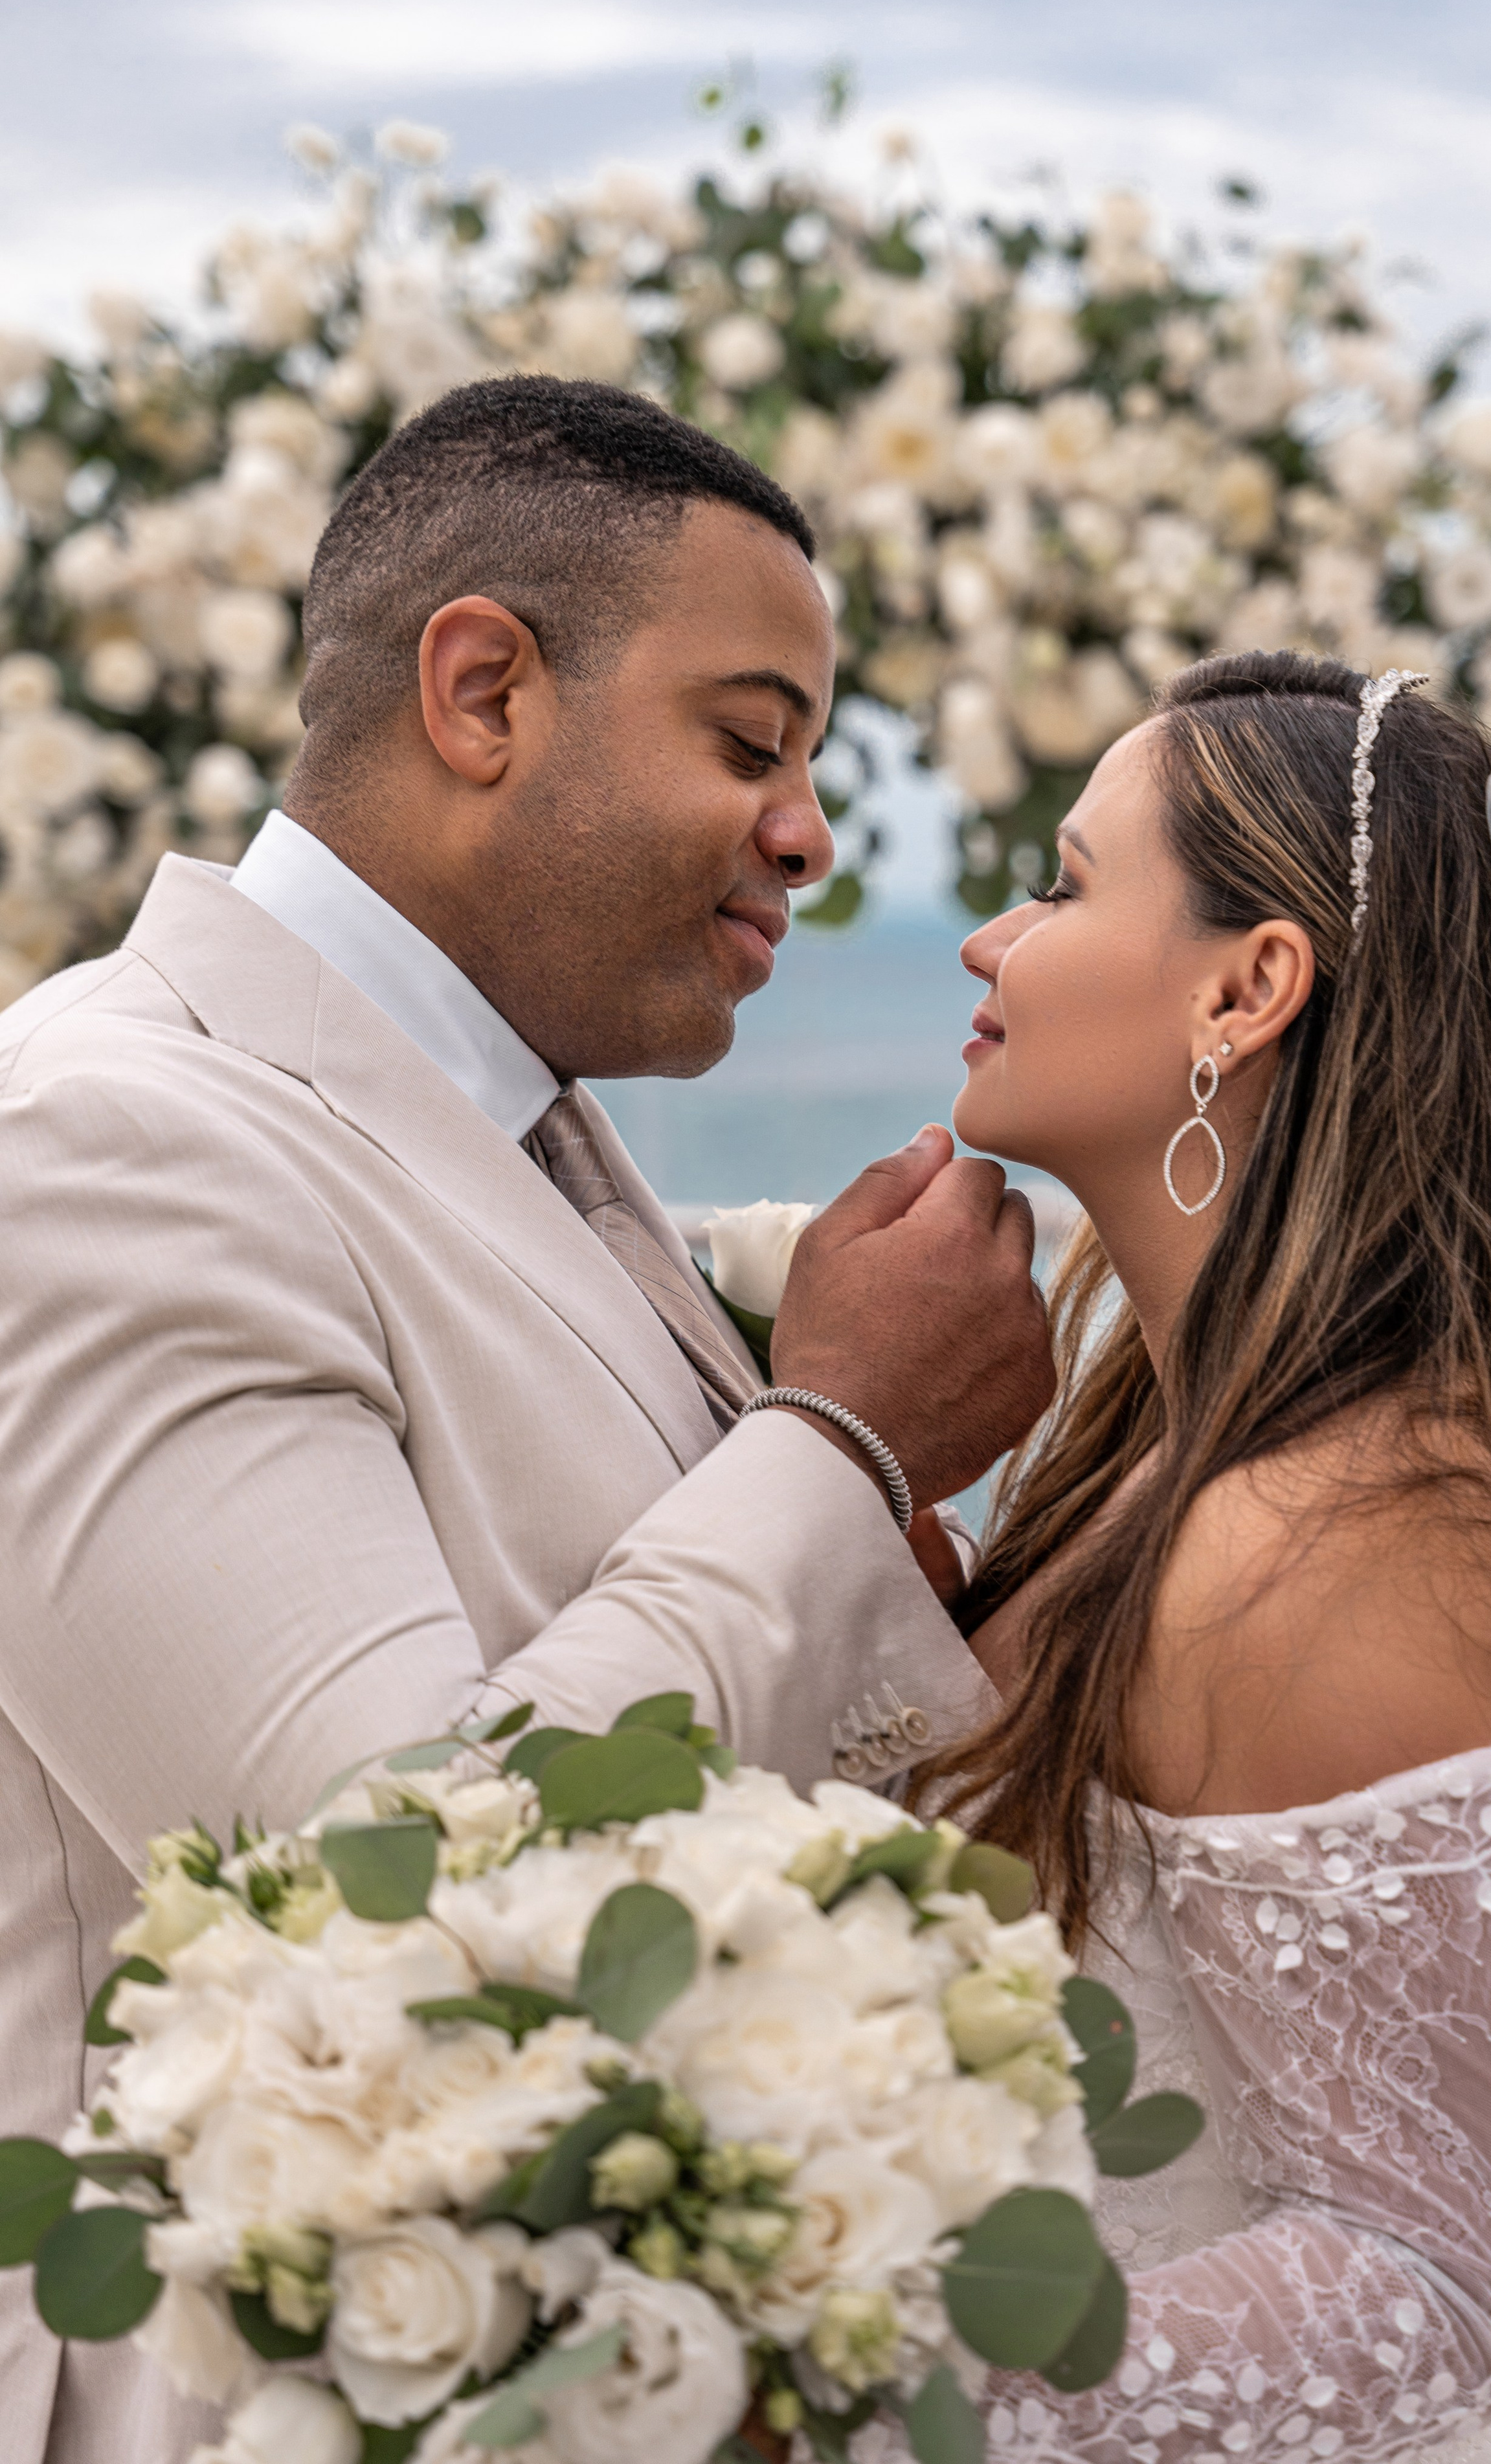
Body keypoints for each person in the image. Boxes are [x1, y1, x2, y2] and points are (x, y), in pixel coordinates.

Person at [0, 378, 1053, 2461]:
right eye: (750, 742)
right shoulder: (104, 1147)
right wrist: (839, 1442)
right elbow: (383, 1905)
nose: (813, 836)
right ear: (481, 689)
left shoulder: (539, 1147)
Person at [881, 650, 1491, 2460]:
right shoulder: (1167, 1457)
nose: (995, 937)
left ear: (1248, 986)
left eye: (1066, 883)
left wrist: (830, 2392)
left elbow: (1427, 2280)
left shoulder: (1332, 1547)